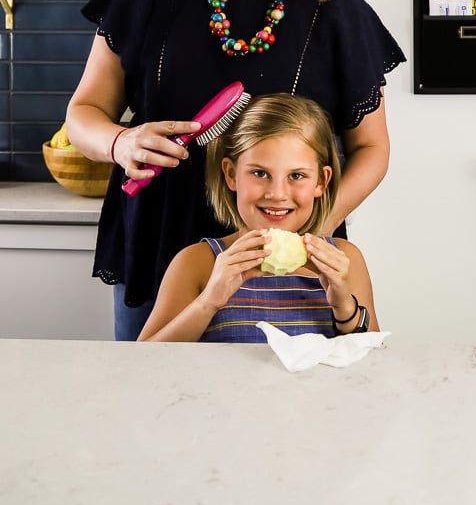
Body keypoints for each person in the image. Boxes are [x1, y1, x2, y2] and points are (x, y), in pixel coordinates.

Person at [66, 0, 405, 340]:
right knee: (149, 394)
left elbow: (372, 148)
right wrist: (120, 141)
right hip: (160, 231)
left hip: (284, 252)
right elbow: (83, 114)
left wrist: (305, 227)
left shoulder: (336, 12)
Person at [138, 93, 378, 342]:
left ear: (321, 181)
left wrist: (345, 309)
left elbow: (373, 368)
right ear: (231, 175)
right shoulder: (197, 263)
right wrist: (208, 302)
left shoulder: (345, 260)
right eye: (260, 173)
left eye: (296, 176)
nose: (277, 194)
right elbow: (142, 363)